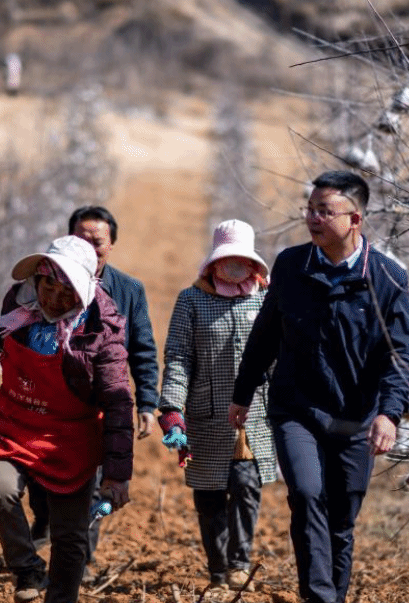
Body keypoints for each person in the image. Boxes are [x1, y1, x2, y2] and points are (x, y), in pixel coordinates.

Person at [230, 171, 409, 603]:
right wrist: (244, 391)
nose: (312, 218)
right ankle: (319, 597)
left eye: (324, 211)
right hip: (297, 410)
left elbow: (399, 355)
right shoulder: (293, 266)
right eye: (310, 209)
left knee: (341, 520)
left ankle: (333, 594)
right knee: (308, 495)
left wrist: (389, 413)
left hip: (357, 416)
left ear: (355, 220)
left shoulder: (388, 279)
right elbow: (265, 334)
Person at [0, 235, 133, 603]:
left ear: (82, 291)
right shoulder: (21, 313)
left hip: (72, 441)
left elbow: (117, 403)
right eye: (47, 283)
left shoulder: (101, 332)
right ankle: (27, 568)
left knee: (70, 537)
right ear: (36, 281)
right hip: (16, 429)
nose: (53, 296)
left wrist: (117, 473)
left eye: (65, 288)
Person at [29, 206, 160, 578]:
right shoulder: (44, 283)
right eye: (81, 239)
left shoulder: (129, 290)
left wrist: (147, 402)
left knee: (93, 481)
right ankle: (45, 521)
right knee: (42, 480)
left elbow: (143, 349)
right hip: (51, 402)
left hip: (100, 404)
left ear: (112, 245)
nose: (90, 246)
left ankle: (79, 561)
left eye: (97, 241)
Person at [157, 219, 278, 592]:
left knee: (245, 485)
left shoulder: (266, 298)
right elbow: (178, 357)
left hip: (254, 413)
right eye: (228, 259)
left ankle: (239, 563)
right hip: (207, 414)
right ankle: (217, 568)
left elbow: (283, 355)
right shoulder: (192, 300)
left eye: (243, 259)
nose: (235, 267)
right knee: (209, 494)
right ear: (213, 262)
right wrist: (171, 409)